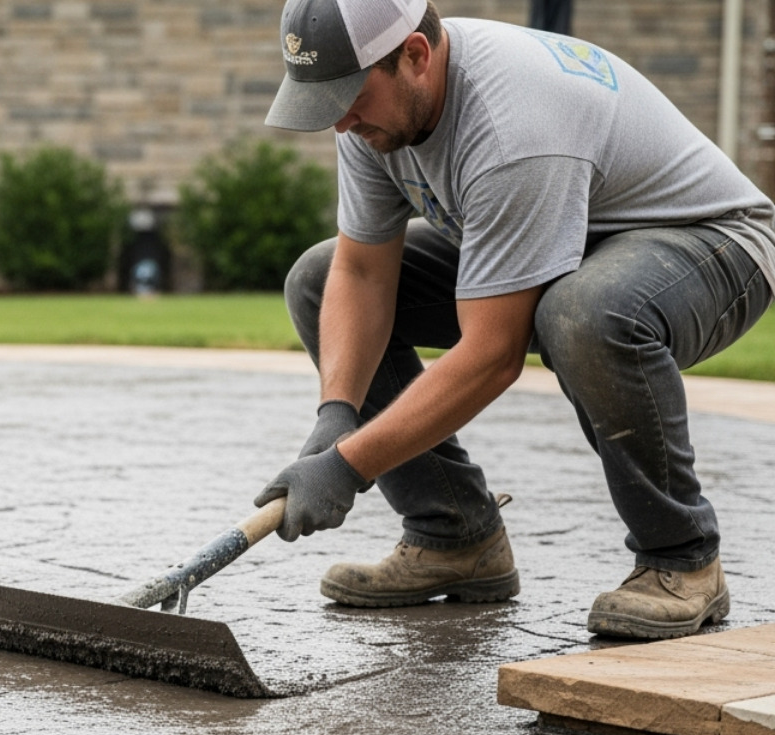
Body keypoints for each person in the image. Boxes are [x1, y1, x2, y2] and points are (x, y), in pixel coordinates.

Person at [256, 0, 775, 639]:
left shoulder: (511, 123)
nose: (339, 122)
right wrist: (337, 411)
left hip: (711, 244)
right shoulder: (376, 115)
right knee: (316, 277)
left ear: (415, 56)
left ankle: (684, 559)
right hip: (573, 239)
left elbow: (492, 355)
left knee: (583, 312)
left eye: (349, 97)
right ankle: (454, 537)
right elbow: (362, 274)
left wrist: (348, 463)